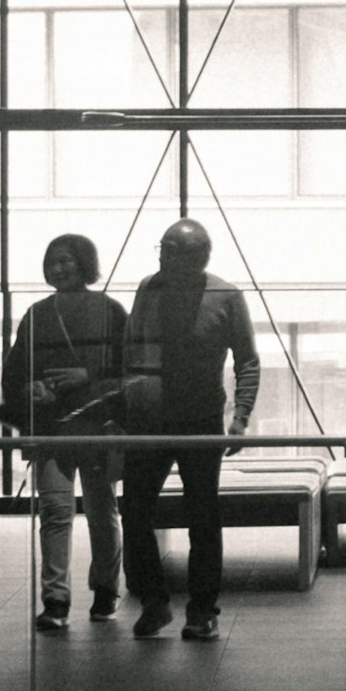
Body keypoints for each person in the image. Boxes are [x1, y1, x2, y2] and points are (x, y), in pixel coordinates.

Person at [125, 217, 261, 638]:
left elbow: (247, 360)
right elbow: (133, 349)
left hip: (202, 422)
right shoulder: (150, 287)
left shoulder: (226, 295)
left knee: (202, 517)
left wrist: (239, 418)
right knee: (133, 511)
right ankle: (154, 602)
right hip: (149, 420)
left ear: (197, 257)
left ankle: (202, 610)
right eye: (162, 249)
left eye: (172, 251)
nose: (164, 257)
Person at [5, 229, 131, 627]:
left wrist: (85, 376)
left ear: (84, 264)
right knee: (60, 511)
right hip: (59, 426)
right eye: (52, 261)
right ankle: (59, 599)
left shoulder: (107, 311)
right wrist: (30, 388)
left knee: (98, 510)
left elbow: (130, 373)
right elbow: (15, 373)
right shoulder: (42, 314)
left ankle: (102, 591)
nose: (58, 268)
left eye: (66, 260)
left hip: (91, 426)